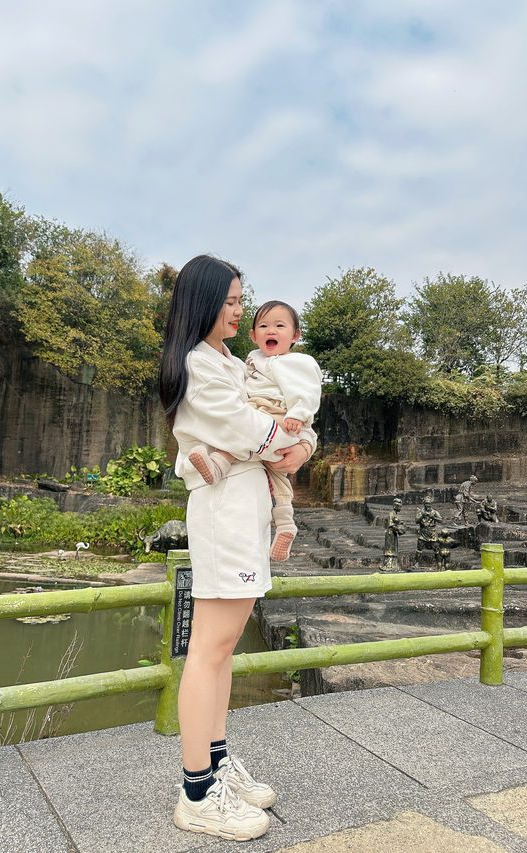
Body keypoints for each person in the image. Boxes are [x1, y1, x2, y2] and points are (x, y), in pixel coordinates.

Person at [159, 255, 313, 842]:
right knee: (210, 647)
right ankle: (197, 792)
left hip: (245, 506)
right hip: (224, 512)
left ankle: (216, 762)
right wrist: (292, 447)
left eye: (240, 301)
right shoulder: (199, 364)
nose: (239, 311)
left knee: (221, 651)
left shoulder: (231, 360)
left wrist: (297, 445)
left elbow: (270, 424)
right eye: (228, 302)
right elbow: (250, 430)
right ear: (201, 303)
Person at [186, 300, 322, 561]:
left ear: (295, 335)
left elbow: (307, 393)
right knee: (254, 459)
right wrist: (301, 445)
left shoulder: (297, 362)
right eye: (263, 325)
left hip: (279, 414)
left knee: (275, 475)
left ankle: (284, 525)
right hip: (257, 427)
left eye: (279, 326)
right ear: (253, 335)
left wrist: (303, 443)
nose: (271, 331)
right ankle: (284, 524)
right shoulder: (244, 362)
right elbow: (238, 425)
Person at [414, 495, 442, 568]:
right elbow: (416, 521)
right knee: (419, 549)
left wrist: (433, 517)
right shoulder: (420, 512)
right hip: (423, 532)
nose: (428, 505)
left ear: (431, 504)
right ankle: (416, 563)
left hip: (432, 532)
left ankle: (439, 564)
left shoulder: (435, 512)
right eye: (426, 503)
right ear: (424, 504)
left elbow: (440, 520)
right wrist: (422, 516)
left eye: (429, 503)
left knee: (437, 549)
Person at [382, 497, 406, 571]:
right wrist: (399, 529)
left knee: (394, 548)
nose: (400, 508)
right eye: (399, 507)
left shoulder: (395, 514)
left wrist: (401, 523)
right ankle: (388, 565)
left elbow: (396, 522)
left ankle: (393, 564)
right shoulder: (391, 514)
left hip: (394, 533)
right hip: (390, 533)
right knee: (390, 549)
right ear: (396, 506)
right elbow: (391, 525)